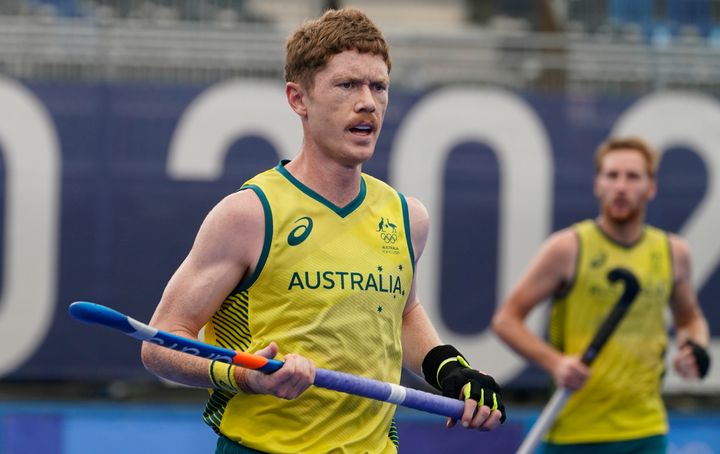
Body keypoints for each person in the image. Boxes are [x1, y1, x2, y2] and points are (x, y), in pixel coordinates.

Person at [141, 8, 505, 454]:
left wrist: (448, 368)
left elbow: (401, 313)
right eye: (347, 85)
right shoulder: (250, 214)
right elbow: (160, 344)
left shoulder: (407, 217)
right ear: (299, 99)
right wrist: (244, 376)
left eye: (379, 86)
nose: (368, 102)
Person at [492, 136, 711, 453]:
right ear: (598, 184)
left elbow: (690, 318)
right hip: (573, 431)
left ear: (651, 187)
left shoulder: (672, 252)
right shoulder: (568, 247)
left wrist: (696, 347)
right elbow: (505, 321)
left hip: (645, 431)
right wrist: (556, 363)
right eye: (612, 175)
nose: (621, 186)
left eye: (633, 176)